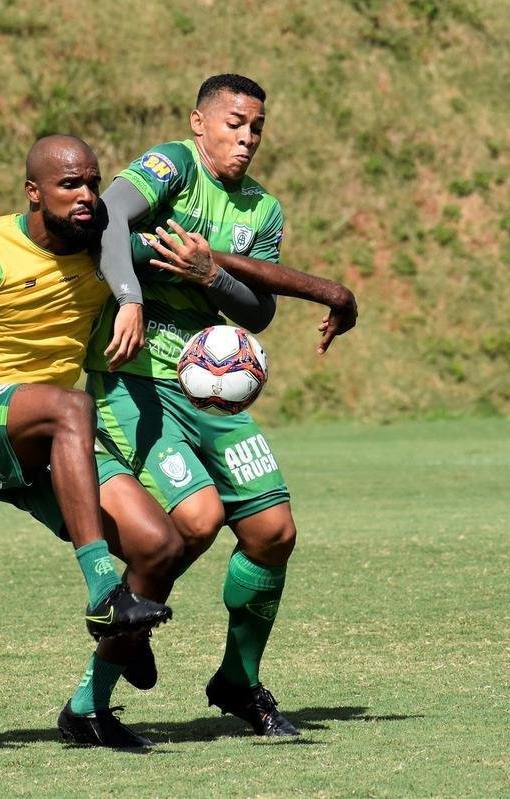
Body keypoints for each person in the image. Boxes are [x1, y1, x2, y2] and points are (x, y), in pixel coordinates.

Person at [0, 135, 184, 749]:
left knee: (159, 546)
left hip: (51, 434)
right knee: (72, 406)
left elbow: (210, 265)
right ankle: (104, 588)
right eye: (70, 185)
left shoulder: (107, 244)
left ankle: (88, 708)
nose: (87, 197)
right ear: (34, 192)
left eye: (94, 183)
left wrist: (327, 292)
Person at [83, 74, 358, 737]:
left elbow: (257, 310)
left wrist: (210, 273)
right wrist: (129, 293)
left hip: (213, 385)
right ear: (200, 122)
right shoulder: (171, 166)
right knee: (197, 520)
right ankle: (95, 690)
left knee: (273, 532)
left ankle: (237, 679)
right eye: (235, 122)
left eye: (257, 126)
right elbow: (108, 216)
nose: (247, 136)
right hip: (134, 373)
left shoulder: (262, 209)